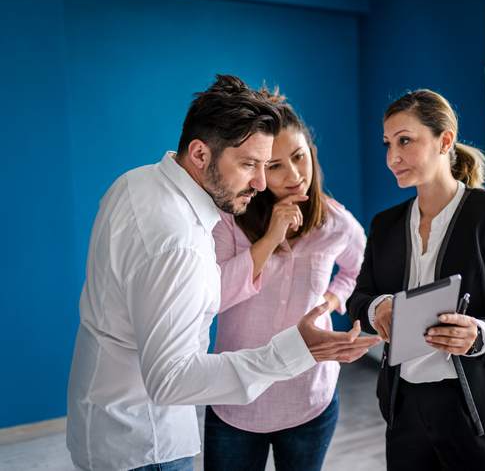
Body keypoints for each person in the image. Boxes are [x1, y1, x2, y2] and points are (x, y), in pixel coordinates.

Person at [66, 75, 380, 471]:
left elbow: (190, 297)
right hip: (146, 441)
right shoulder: (184, 242)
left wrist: (331, 300)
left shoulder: (133, 183)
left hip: (107, 422)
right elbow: (171, 379)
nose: (263, 182)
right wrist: (297, 348)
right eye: (251, 164)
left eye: (269, 164)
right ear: (200, 154)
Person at [347, 89, 485, 471]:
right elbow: (360, 296)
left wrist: (480, 334)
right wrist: (376, 307)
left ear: (445, 141)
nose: (392, 157)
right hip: (405, 405)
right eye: (388, 144)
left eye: (405, 141)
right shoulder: (385, 225)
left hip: (479, 407)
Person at [203, 89, 366, 471]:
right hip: (238, 397)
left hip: (310, 395)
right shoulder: (228, 220)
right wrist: (270, 239)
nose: (294, 176)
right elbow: (215, 296)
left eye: (299, 157)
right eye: (275, 166)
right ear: (256, 169)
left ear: (311, 151)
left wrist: (329, 301)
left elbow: (360, 269)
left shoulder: (336, 222)